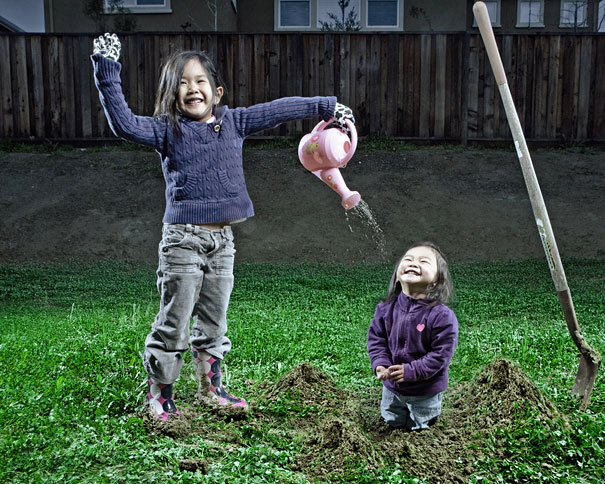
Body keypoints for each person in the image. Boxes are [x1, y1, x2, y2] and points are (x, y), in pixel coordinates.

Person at [90, 33, 355, 420]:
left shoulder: (234, 122)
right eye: (182, 83)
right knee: (174, 320)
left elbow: (277, 109)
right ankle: (161, 396)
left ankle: (211, 389)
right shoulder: (168, 130)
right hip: (182, 241)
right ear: (171, 94)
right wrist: (106, 69)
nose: (191, 88)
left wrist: (328, 106)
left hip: (223, 241)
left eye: (199, 82)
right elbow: (125, 125)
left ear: (217, 92)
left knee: (215, 319)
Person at [367, 242, 458, 430]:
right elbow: (377, 340)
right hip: (392, 388)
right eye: (408, 259)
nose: (413, 263)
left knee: (422, 425)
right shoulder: (385, 309)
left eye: (424, 261)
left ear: (436, 281)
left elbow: (440, 355)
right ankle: (395, 428)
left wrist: (410, 371)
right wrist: (380, 364)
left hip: (424, 391)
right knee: (392, 419)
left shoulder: (442, 316)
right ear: (398, 278)